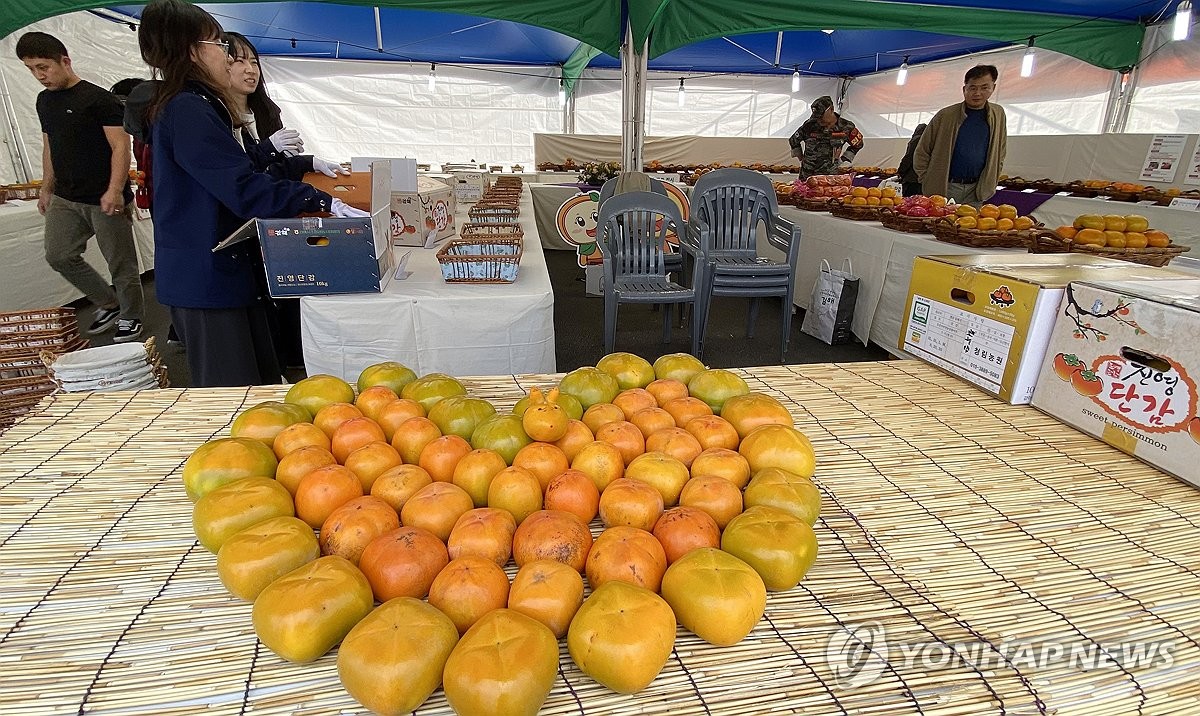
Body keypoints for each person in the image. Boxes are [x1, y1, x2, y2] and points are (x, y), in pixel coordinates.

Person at [133, 0, 364, 387]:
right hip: (207, 274)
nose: (228, 57)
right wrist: (320, 201)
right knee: (233, 391)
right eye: (220, 45)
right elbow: (242, 187)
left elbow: (247, 164)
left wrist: (301, 163)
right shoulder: (187, 109)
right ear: (192, 50)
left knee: (259, 384)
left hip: (228, 268)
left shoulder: (202, 105)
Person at [224, 31, 349, 369]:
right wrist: (268, 150)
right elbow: (245, 178)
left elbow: (275, 169)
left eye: (254, 61)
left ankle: (293, 357)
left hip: (275, 216)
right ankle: (286, 359)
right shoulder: (215, 118)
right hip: (250, 223)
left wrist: (308, 162)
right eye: (238, 60)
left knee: (287, 292)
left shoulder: (260, 110)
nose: (250, 69)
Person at [16, 32, 146, 342]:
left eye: (44, 67)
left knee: (121, 262)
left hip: (104, 194)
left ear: (65, 61)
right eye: (31, 69)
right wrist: (47, 187)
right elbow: (50, 145)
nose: (39, 75)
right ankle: (109, 302)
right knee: (58, 255)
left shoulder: (98, 99)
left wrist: (115, 189)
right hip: (65, 195)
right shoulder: (44, 100)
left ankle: (132, 315)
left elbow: (120, 145)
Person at [913, 65, 1007, 207]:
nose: (977, 93)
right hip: (945, 186)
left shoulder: (998, 114)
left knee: (969, 227)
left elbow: (1001, 151)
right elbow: (922, 150)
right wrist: (927, 178)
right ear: (964, 89)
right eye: (972, 88)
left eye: (984, 87)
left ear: (993, 88)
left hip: (977, 189)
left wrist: (992, 179)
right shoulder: (946, 115)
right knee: (942, 226)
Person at [788, 96, 864, 179]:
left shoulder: (846, 126)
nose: (819, 119)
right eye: (816, 116)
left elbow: (858, 145)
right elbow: (793, 140)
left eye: (821, 116)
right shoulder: (809, 125)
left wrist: (842, 160)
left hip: (830, 177)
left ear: (831, 109)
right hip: (807, 176)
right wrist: (801, 159)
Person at [896, 123, 927, 197]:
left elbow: (909, 157)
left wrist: (901, 171)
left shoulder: (916, 140)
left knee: (908, 202)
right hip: (922, 178)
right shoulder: (928, 141)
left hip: (911, 178)